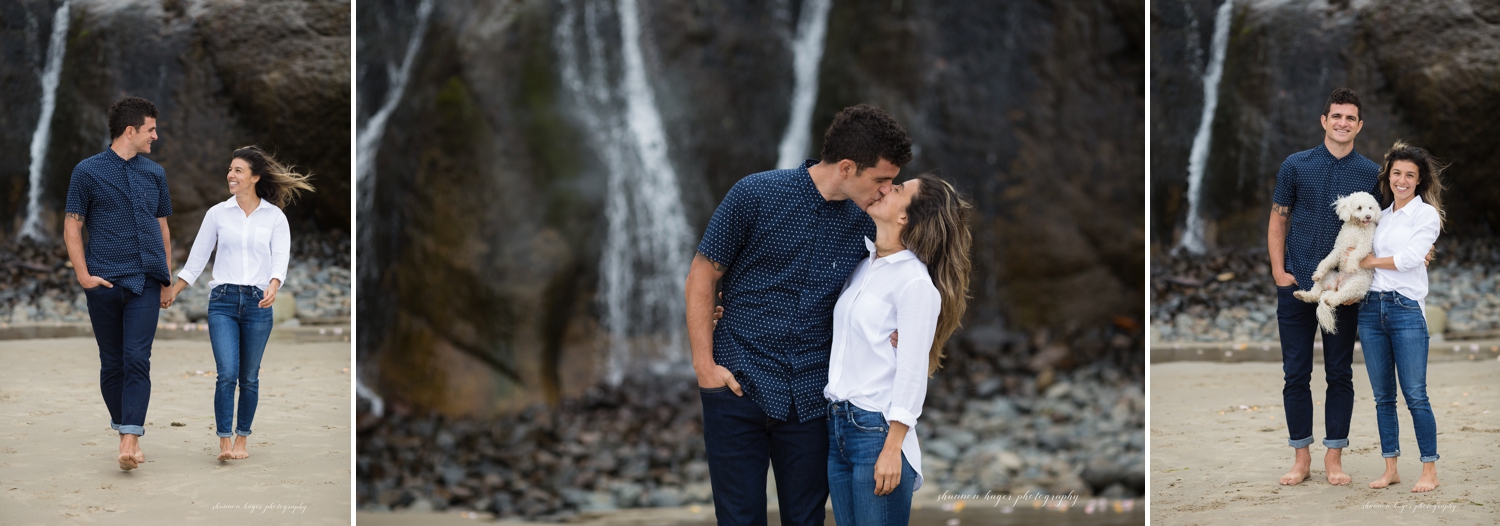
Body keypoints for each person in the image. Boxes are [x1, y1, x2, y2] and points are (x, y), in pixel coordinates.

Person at [685, 104, 911, 526]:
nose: (886, 191)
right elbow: (702, 274)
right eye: (881, 180)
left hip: (812, 397)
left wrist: (904, 329)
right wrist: (704, 367)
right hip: (736, 385)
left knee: (806, 521)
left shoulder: (872, 225)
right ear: (847, 167)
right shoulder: (754, 193)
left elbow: (909, 280)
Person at [824, 172, 971, 525]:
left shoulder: (915, 283)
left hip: (876, 432)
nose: (887, 187)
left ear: (905, 216)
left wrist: (893, 449)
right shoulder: (863, 266)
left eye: (899, 188)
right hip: (838, 426)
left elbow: (912, 374)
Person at [162, 146, 313, 461]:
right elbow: (198, 258)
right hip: (223, 302)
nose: (231, 175)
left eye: (238, 170)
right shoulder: (217, 214)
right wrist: (175, 289)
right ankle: (224, 441)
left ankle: (242, 439)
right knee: (227, 374)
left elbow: (280, 258)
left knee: (250, 377)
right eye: (230, 169)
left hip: (259, 303)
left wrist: (274, 285)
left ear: (255, 177)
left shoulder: (274, 217)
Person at [1267, 87, 1382, 486]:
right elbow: (1278, 218)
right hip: (1297, 281)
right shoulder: (1295, 165)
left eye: (1350, 118)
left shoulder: (1371, 173)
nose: (1342, 123)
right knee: (1295, 374)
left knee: (1340, 373)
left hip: (1343, 288)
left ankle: (1334, 457)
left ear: (1359, 125)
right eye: (1336, 116)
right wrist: (1278, 271)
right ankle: (1301, 459)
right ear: (1324, 120)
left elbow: (1385, 224)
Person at [64, 97, 172, 472]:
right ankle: (124, 427)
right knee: (112, 363)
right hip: (104, 282)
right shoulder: (86, 172)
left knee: (137, 358)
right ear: (130, 131)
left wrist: (167, 278)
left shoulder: (155, 173)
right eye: (150, 130)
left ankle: (130, 437)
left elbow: (162, 227)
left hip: (146, 281)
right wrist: (83, 276)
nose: (155, 136)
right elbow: (72, 225)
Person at [1358, 141, 1443, 493]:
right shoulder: (1382, 215)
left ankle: (1429, 470)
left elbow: (1410, 259)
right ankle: (1390, 467)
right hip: (1370, 310)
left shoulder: (1426, 215)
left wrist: (1370, 262)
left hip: (1406, 309)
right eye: (1397, 173)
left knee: (1415, 395)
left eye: (1410, 175)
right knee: (1383, 397)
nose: (1402, 180)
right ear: (1388, 176)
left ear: (1419, 179)